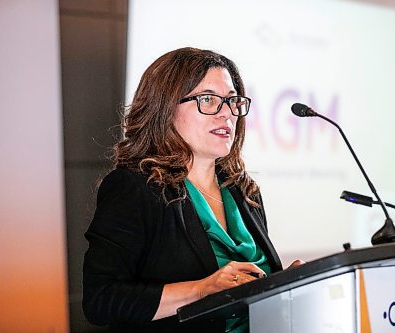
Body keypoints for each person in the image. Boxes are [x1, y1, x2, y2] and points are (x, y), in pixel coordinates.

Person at [82, 47, 303, 332]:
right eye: (208, 100)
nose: (226, 114)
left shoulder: (244, 191)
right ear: (164, 108)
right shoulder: (134, 188)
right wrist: (201, 289)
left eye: (232, 101)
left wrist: (285, 285)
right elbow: (101, 300)